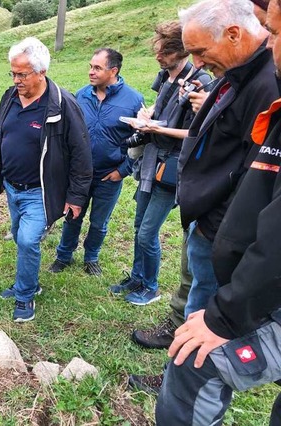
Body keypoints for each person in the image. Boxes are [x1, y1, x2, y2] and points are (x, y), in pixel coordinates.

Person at [128, 0, 278, 394]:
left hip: (223, 231)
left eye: (199, 51)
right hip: (208, 219)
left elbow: (255, 178)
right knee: (195, 299)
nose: (196, 61)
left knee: (205, 316)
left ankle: (181, 382)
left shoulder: (265, 84)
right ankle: (181, 371)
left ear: (232, 34)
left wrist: (219, 228)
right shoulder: (237, 73)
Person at [108, 21, 212, 306]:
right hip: (149, 163)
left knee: (147, 231)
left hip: (171, 167)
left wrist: (158, 130)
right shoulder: (166, 76)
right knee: (138, 225)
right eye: (158, 49)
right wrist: (148, 114)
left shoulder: (200, 83)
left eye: (165, 51)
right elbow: (160, 106)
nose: (159, 56)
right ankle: (137, 276)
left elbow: (197, 132)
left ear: (182, 51)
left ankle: (151, 287)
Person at [0, 37, 92, 322]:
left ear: (41, 71)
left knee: (27, 240)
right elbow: (12, 127)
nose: (16, 79)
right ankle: (29, 281)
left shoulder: (63, 104)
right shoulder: (9, 96)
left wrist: (76, 197)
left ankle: (25, 296)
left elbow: (81, 153)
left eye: (22, 74)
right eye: (13, 73)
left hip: (41, 191)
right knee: (19, 234)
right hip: (12, 186)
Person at [48, 48, 143, 277]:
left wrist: (123, 171)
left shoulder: (134, 100)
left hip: (109, 176)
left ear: (114, 70)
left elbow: (142, 140)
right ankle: (63, 255)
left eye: (97, 68)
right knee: (72, 216)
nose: (91, 72)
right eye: (90, 66)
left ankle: (91, 257)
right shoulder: (80, 96)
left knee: (99, 222)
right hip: (79, 174)